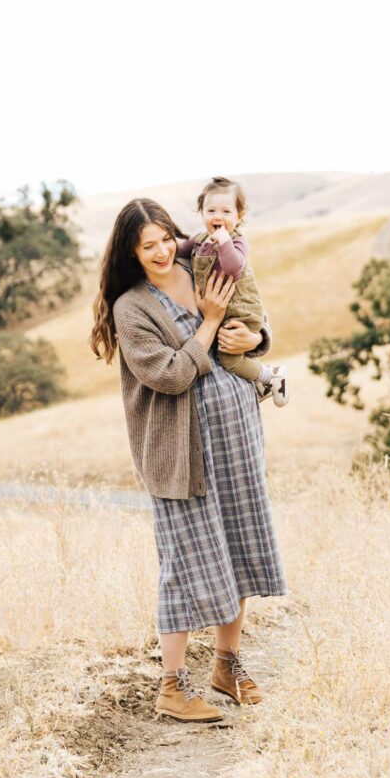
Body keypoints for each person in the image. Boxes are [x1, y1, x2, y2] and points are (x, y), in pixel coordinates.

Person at [89, 198, 289, 723]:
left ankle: (227, 665)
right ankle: (172, 687)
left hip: (237, 438)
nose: (159, 252)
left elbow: (250, 312)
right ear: (130, 252)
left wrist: (257, 337)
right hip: (182, 455)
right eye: (145, 245)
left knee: (241, 547)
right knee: (184, 564)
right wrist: (211, 322)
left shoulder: (196, 265)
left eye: (163, 240)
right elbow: (173, 375)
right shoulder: (131, 307)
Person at [176, 176, 288, 406]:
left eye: (226, 211)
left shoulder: (237, 243)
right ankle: (259, 382)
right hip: (221, 312)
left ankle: (271, 377)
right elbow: (178, 252)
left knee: (230, 359)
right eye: (211, 210)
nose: (218, 216)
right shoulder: (198, 241)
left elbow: (233, 267)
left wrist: (224, 241)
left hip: (241, 312)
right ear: (201, 213)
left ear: (239, 217)